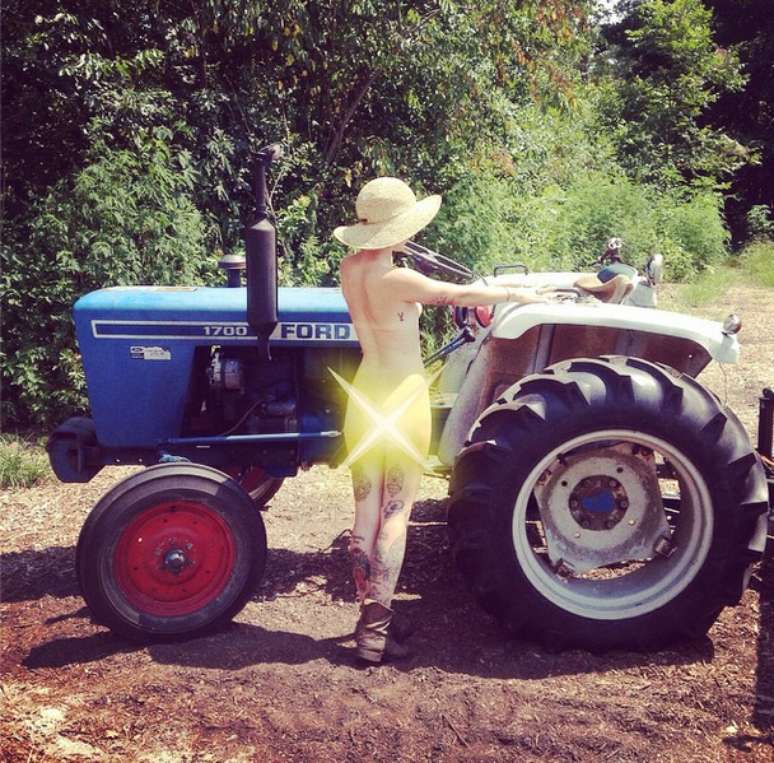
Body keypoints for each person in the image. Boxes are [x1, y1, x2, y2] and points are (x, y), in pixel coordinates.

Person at [333, 177, 550, 663]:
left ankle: (371, 620)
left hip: (364, 398)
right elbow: (461, 293)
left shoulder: (350, 269)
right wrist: (522, 292)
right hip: (402, 402)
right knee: (395, 515)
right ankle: (375, 633)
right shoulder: (399, 279)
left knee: (365, 515)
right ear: (397, 228)